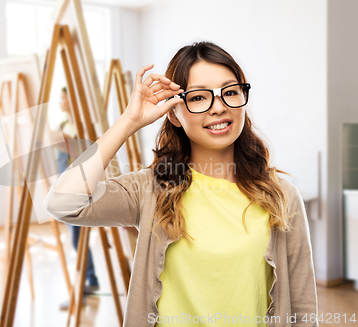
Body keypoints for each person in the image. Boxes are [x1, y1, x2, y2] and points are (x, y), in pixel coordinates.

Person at [43, 41, 318, 326]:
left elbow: (303, 307)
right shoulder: (150, 190)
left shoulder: (282, 196)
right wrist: (128, 121)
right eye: (199, 97)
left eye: (230, 92)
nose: (219, 108)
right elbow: (62, 203)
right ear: (173, 113)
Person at [55, 86, 100, 310]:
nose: (60, 101)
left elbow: (88, 158)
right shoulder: (63, 124)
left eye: (64, 97)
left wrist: (66, 142)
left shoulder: (81, 125)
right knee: (77, 238)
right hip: (63, 188)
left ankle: (82, 288)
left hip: (78, 189)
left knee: (77, 239)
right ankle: (91, 280)